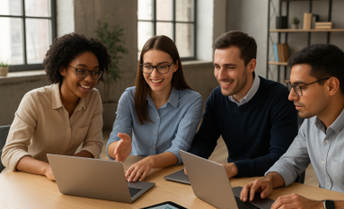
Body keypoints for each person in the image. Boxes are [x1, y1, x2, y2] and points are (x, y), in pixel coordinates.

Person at [240, 43, 344, 209]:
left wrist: (320, 207)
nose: (291, 96)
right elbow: (291, 162)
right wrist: (269, 180)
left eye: (300, 87)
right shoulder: (310, 123)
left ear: (331, 86)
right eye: (291, 86)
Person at [187, 31, 297, 178]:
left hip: (274, 181)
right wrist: (194, 161)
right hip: (236, 178)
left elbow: (281, 157)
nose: (220, 76)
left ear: (251, 65)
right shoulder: (217, 96)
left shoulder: (280, 97)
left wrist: (235, 168)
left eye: (230, 67)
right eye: (217, 66)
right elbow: (205, 140)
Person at [2, 33, 111, 181]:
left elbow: (94, 144)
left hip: (63, 179)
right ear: (62, 69)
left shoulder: (93, 98)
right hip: (25, 179)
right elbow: (10, 152)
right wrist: (48, 169)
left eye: (95, 72)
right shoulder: (34, 100)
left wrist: (67, 166)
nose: (89, 79)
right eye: (81, 70)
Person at [106, 35, 203, 182]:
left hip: (172, 175)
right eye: (148, 66)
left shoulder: (192, 100)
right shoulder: (129, 97)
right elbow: (111, 143)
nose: (154, 74)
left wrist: (150, 161)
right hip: (135, 172)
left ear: (175, 65)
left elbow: (180, 149)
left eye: (162, 66)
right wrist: (118, 148)